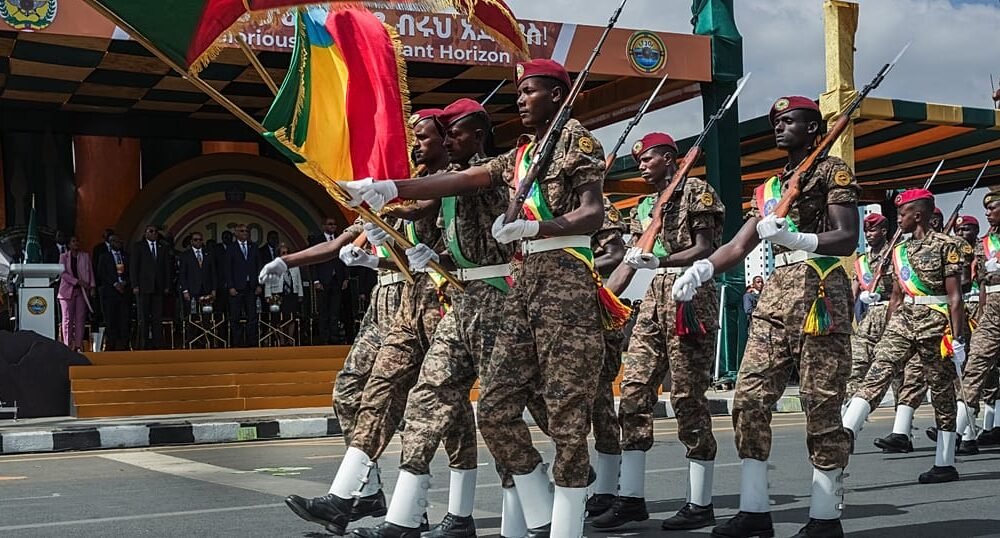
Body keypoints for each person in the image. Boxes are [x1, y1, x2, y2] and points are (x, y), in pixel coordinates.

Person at [343, 58, 613, 536]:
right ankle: (543, 513)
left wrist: (538, 228)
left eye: (530, 91)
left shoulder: (577, 140)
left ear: (556, 94)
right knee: (494, 409)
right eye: (519, 92)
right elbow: (464, 179)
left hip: (566, 289)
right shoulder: (521, 156)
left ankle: (565, 525)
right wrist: (390, 188)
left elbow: (592, 213)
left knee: (567, 414)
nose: (521, 99)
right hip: (522, 290)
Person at [673, 97, 859, 537]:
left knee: (821, 404)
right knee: (749, 399)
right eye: (776, 121)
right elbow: (740, 245)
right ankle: (754, 509)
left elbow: (847, 237)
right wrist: (703, 269)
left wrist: (797, 238)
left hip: (819, 296)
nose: (779, 126)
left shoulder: (832, 171)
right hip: (776, 300)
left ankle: (825, 516)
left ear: (812, 128)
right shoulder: (770, 188)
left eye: (790, 120)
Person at [348, 98, 523, 538]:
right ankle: (403, 519)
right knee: (426, 401)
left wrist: (390, 190)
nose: (447, 140)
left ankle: (541, 513)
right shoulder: (449, 179)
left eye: (453, 133)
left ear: (478, 135)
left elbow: (450, 190)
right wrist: (415, 244)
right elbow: (434, 217)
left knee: (508, 412)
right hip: (461, 301)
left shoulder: (492, 170)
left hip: (501, 301)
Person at [281, 107, 452, 535]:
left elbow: (424, 224)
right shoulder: (397, 189)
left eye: (420, 137)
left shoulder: (441, 183)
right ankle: (367, 492)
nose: (413, 146)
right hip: (388, 300)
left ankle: (418, 509)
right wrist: (286, 261)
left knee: (424, 410)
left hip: (428, 298)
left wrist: (383, 228)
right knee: (351, 392)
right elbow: (342, 240)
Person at [595, 132, 724, 531]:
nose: (642, 166)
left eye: (648, 159)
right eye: (639, 161)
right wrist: (606, 297)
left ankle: (700, 503)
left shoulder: (697, 191)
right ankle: (631, 498)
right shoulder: (646, 206)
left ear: (669, 158)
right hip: (652, 301)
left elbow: (705, 247)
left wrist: (662, 261)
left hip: (690, 295)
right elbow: (631, 258)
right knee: (633, 392)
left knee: (687, 399)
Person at [843, 188, 966, 485]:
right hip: (904, 320)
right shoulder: (899, 251)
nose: (899, 220)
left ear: (918, 215)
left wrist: (958, 337)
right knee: (879, 368)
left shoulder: (947, 246)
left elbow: (955, 297)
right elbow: (897, 296)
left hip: (935, 323)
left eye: (902, 214)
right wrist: (889, 327)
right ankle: (846, 430)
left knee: (941, 391)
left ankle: (945, 462)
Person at [585, 195, 627, 520]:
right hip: (554, 313)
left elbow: (615, 254)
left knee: (600, 405)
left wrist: (572, 267)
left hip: (593, 315)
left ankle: (608, 487)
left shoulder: (599, 205)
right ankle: (580, 474)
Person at [951, 203, 1000, 450]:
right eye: (986, 209)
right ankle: (958, 433)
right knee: (975, 367)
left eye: (993, 208)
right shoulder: (984, 245)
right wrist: (981, 316)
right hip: (991, 314)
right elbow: (981, 285)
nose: (988, 213)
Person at [847, 214, 892, 407]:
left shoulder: (896, 254)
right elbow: (853, 293)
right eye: (866, 231)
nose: (868, 234)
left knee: (895, 370)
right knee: (856, 363)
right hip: (869, 318)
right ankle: (849, 410)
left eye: (873, 230)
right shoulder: (862, 261)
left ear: (884, 231)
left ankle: (902, 420)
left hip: (893, 315)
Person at [131, 225, 170, 349]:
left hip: (158, 287)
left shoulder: (162, 247)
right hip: (143, 287)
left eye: (156, 231)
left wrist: (167, 285)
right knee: (143, 317)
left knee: (157, 317)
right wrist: (135, 285)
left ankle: (157, 344)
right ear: (145, 233)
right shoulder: (138, 247)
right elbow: (134, 267)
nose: (154, 233)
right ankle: (144, 344)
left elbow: (166, 268)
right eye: (151, 231)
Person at [222, 223, 262, 347]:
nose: (245, 233)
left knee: (252, 316)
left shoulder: (254, 247)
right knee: (235, 317)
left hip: (251, 287)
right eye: (242, 231)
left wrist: (259, 284)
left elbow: (259, 266)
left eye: (246, 231)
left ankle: (252, 343)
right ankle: (237, 343)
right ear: (236, 233)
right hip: (236, 288)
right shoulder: (231, 248)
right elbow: (227, 269)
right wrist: (230, 286)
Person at [312, 219, 349, 344]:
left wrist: (345, 278)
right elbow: (313, 260)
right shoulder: (317, 240)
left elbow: (345, 259)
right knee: (323, 311)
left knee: (335, 311)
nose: (333, 226)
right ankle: (324, 339)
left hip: (337, 280)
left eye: (334, 224)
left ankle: (334, 338)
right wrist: (316, 280)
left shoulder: (340, 240)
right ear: (324, 226)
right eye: (330, 224)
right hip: (323, 280)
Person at [57, 237, 94, 352]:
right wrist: (76, 281)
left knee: (80, 318)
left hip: (82, 291)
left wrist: (92, 286)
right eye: (73, 241)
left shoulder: (85, 256)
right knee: (67, 319)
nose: (76, 243)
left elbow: (90, 271)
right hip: (67, 291)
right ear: (69, 244)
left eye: (77, 241)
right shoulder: (63, 257)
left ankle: (78, 345)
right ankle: (67, 345)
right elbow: (62, 273)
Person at [96, 235, 130, 351]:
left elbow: (131, 271)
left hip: (124, 292)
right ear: (110, 243)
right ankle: (111, 345)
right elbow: (102, 273)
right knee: (111, 319)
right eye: (115, 241)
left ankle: (124, 344)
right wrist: (115, 283)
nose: (118, 243)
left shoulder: (126, 256)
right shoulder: (104, 257)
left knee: (124, 319)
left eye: (120, 241)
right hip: (110, 292)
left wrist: (125, 282)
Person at [178, 231, 217, 317]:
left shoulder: (209, 254)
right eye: (195, 240)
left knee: (207, 314)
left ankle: (206, 326)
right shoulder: (185, 255)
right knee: (192, 314)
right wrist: (185, 290)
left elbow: (213, 272)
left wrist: (214, 289)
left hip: (206, 289)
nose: (198, 241)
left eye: (200, 239)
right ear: (191, 241)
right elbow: (182, 274)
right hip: (192, 289)